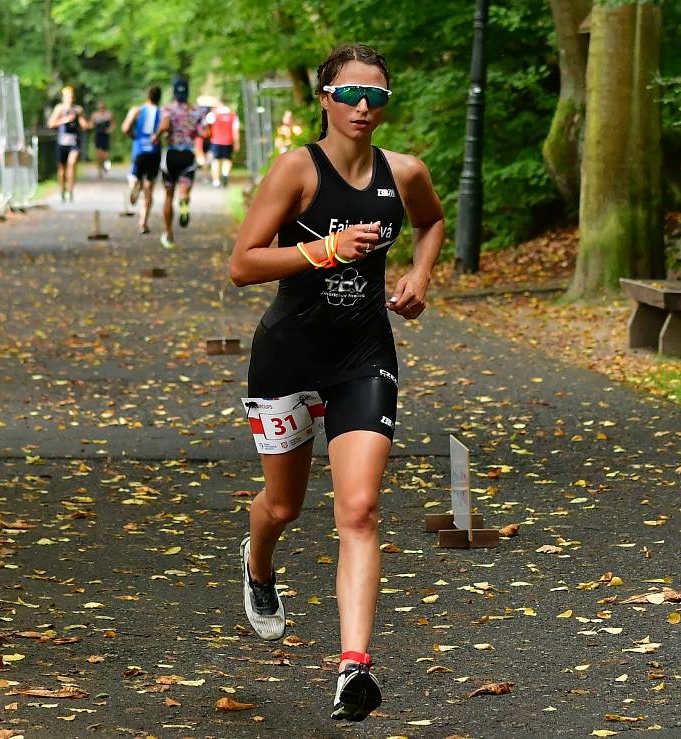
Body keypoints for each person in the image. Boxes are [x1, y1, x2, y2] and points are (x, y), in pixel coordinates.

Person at [230, 44, 444, 721]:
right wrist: (321, 248)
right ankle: (258, 562)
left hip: (363, 357)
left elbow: (432, 221)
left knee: (359, 509)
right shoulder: (298, 169)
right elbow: (241, 263)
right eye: (349, 94)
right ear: (324, 97)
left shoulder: (403, 173)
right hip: (286, 359)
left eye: (375, 97)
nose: (362, 107)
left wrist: (419, 277)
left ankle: (354, 667)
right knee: (284, 506)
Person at [155, 77, 205, 249]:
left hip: (171, 154)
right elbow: (204, 132)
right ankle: (184, 200)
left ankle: (168, 234)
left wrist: (156, 136)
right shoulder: (196, 111)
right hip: (188, 155)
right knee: (184, 189)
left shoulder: (167, 109)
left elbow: (165, 125)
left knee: (168, 195)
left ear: (174, 91)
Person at [121, 86, 162, 234]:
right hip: (154, 151)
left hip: (139, 149)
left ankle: (134, 185)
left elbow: (125, 128)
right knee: (149, 187)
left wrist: (135, 137)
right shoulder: (162, 112)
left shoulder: (136, 110)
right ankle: (143, 223)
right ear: (159, 97)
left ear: (147, 96)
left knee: (134, 176)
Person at [47, 85, 90, 202]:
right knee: (62, 169)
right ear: (63, 98)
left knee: (72, 163)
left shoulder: (78, 109)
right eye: (67, 96)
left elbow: (84, 125)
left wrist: (84, 123)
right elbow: (50, 124)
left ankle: (70, 190)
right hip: (62, 142)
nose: (69, 98)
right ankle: (62, 189)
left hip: (74, 142)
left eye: (71, 96)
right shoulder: (59, 109)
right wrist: (64, 120)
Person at [205, 97, 240, 188]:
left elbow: (206, 127)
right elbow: (235, 131)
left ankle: (216, 182)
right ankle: (225, 173)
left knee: (215, 161)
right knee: (227, 160)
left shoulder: (213, 115)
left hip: (216, 141)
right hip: (228, 141)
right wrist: (237, 143)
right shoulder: (233, 116)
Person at [90, 100, 115, 177]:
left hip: (105, 136)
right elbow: (91, 124)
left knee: (106, 155)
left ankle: (106, 166)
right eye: (100, 107)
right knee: (99, 155)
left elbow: (113, 124)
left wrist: (110, 130)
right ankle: (99, 171)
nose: (101, 109)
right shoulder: (95, 115)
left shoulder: (109, 114)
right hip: (98, 136)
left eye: (103, 107)